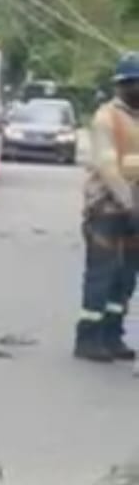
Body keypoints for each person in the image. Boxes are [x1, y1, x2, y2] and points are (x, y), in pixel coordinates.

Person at [74, 52, 139, 363]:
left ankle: (112, 335)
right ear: (125, 85)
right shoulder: (106, 118)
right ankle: (88, 337)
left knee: (126, 276)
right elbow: (108, 168)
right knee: (103, 273)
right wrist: (129, 202)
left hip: (134, 210)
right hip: (108, 209)